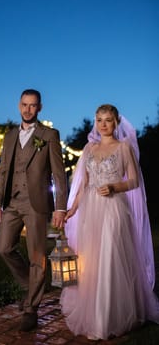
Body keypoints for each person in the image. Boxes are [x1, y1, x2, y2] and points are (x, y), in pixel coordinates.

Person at [60, 104, 159, 341]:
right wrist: (72, 209)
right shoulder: (88, 149)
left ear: (116, 123)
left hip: (114, 207)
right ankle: (95, 313)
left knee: (110, 256)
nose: (103, 124)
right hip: (90, 210)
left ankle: (110, 317)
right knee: (92, 260)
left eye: (108, 120)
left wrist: (115, 186)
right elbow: (84, 183)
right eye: (99, 120)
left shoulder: (124, 148)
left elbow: (134, 181)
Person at [0, 89, 67, 331]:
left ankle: (31, 308)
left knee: (37, 256)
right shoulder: (10, 136)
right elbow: (4, 171)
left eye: (33, 105)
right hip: (12, 202)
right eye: (24, 105)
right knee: (3, 248)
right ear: (18, 105)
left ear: (40, 108)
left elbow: (59, 174)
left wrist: (60, 208)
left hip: (37, 204)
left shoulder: (49, 135)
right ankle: (30, 284)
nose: (28, 109)